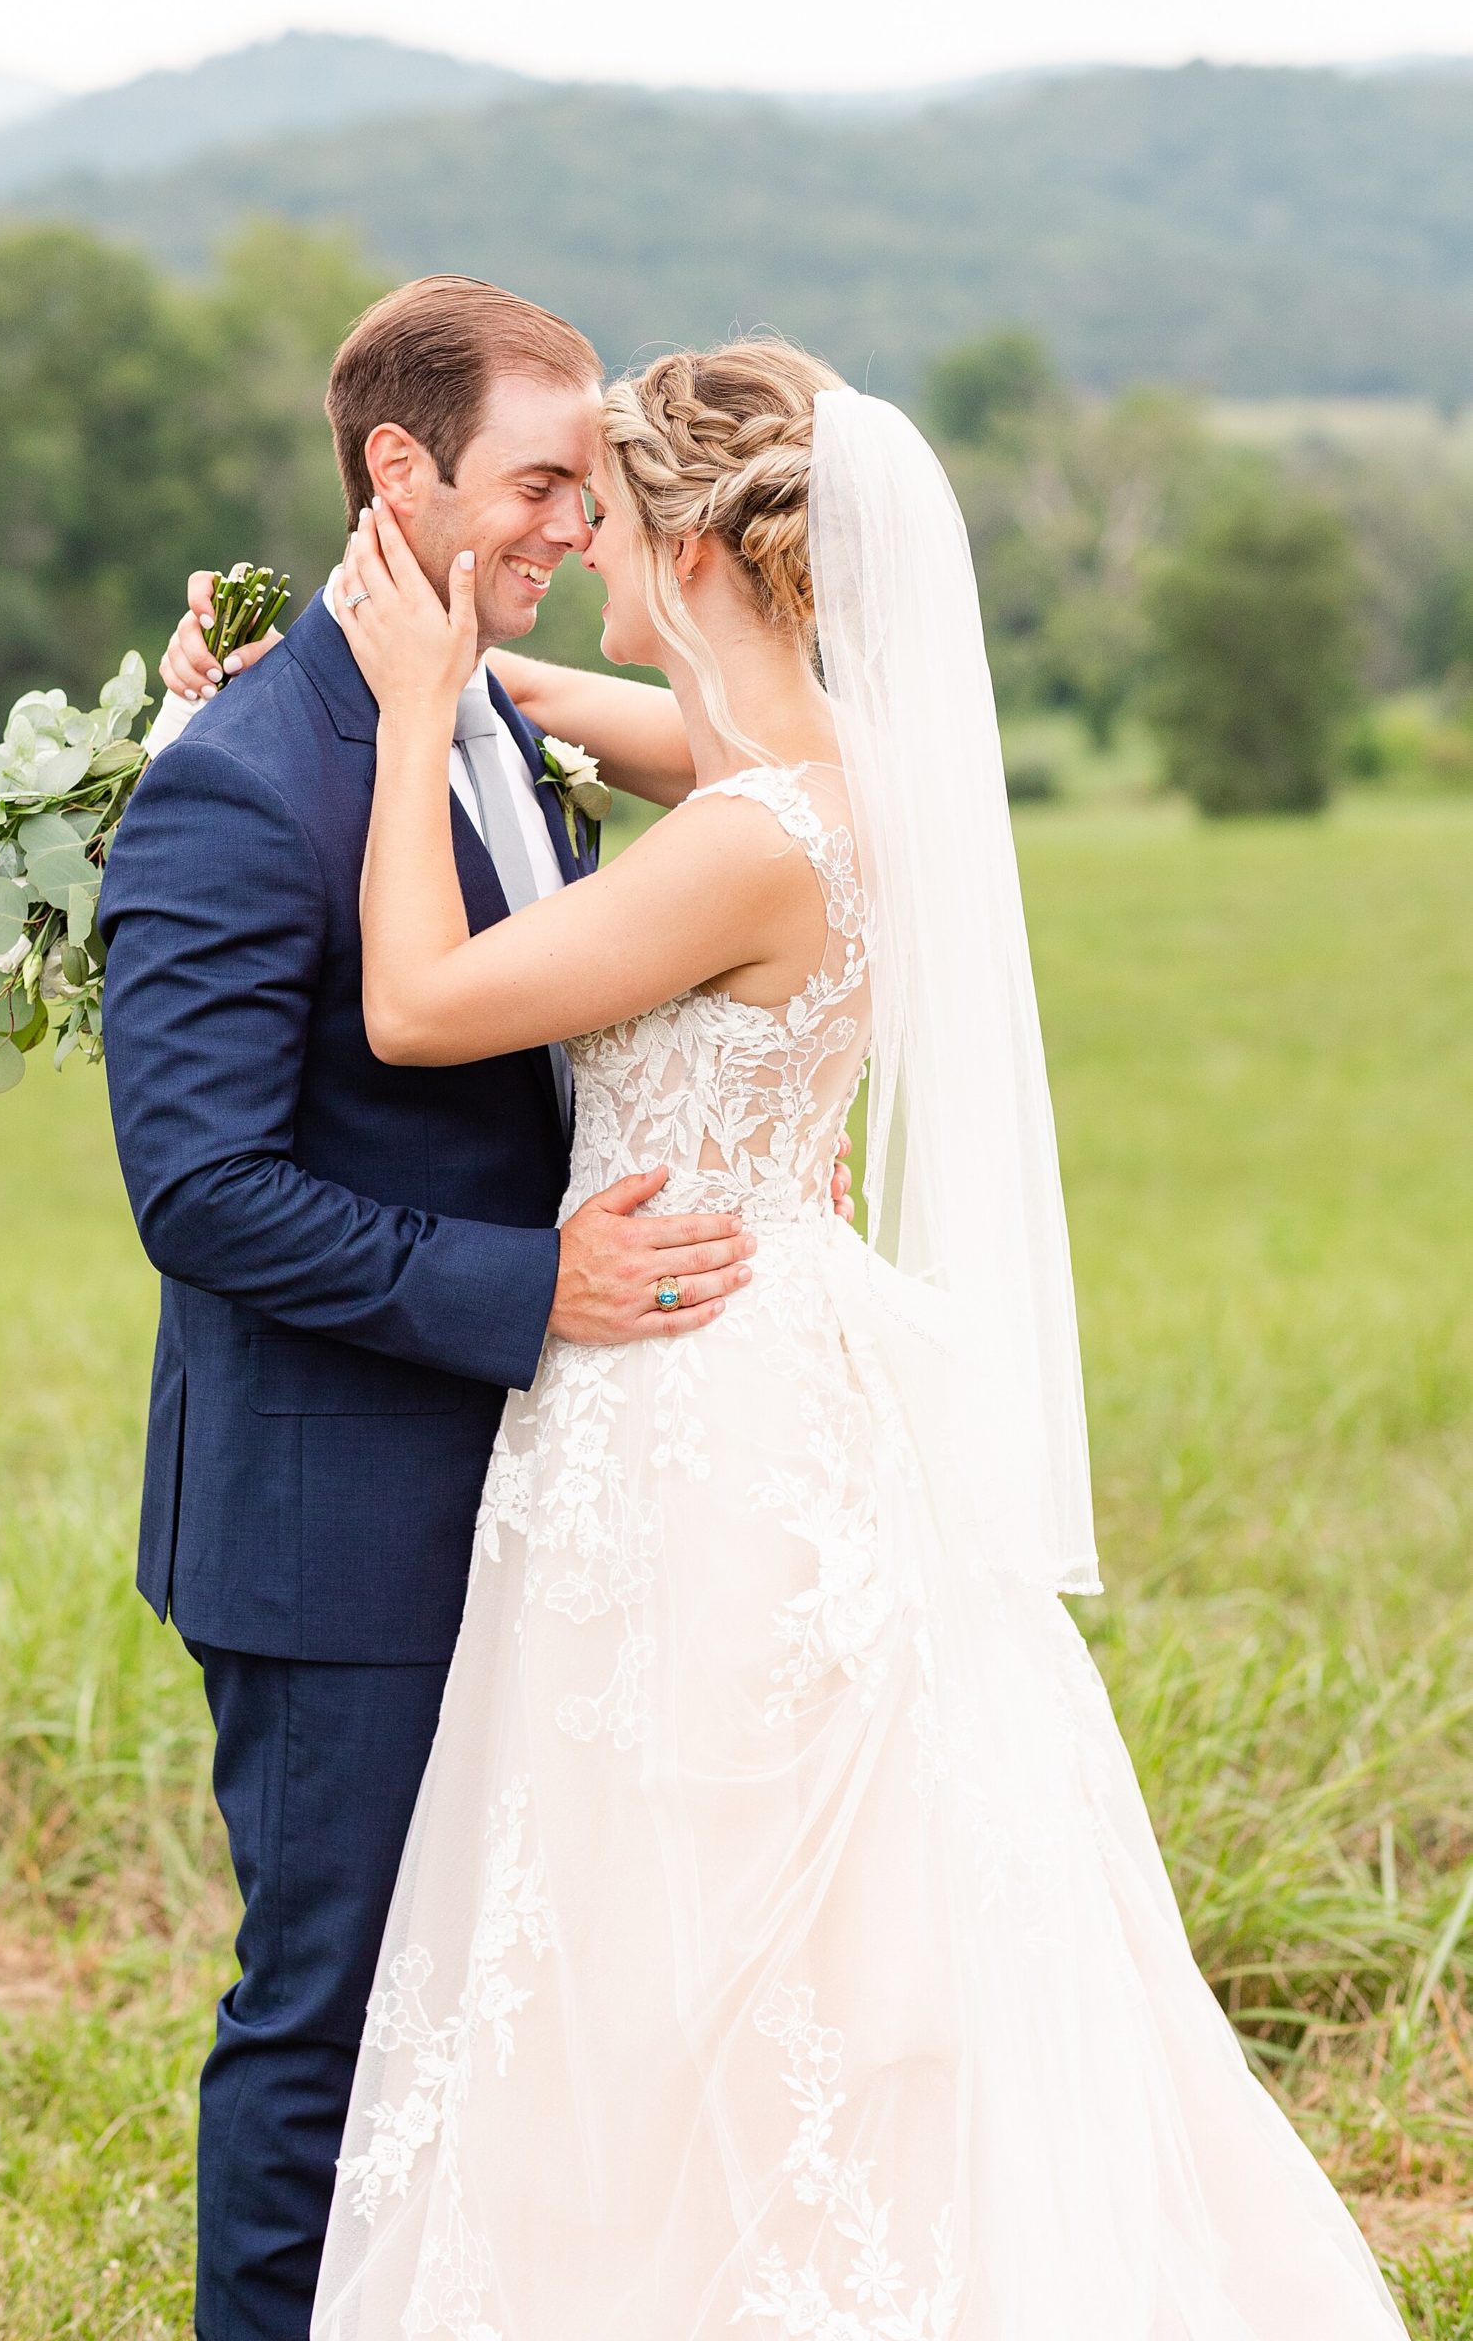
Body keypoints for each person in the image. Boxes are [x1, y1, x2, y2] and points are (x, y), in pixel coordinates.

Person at [177, 338, 1404, 2337]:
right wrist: (368, 659)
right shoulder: (826, 760)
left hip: (690, 1397)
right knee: (774, 1901)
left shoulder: (750, 842)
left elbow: (413, 999)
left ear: (690, 542)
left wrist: (407, 726)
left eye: (603, 519)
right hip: (767, 1364)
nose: (576, 555)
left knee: (686, 1915)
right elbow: (604, 711)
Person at [99, 279, 855, 2341]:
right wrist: (537, 1283)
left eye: (599, 496)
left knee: (523, 2010)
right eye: (538, 485)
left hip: (574, 1494)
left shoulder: (496, 713)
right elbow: (200, 1185)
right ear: (396, 471)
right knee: (336, 2020)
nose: (570, 528)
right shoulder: (246, 777)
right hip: (340, 1518)